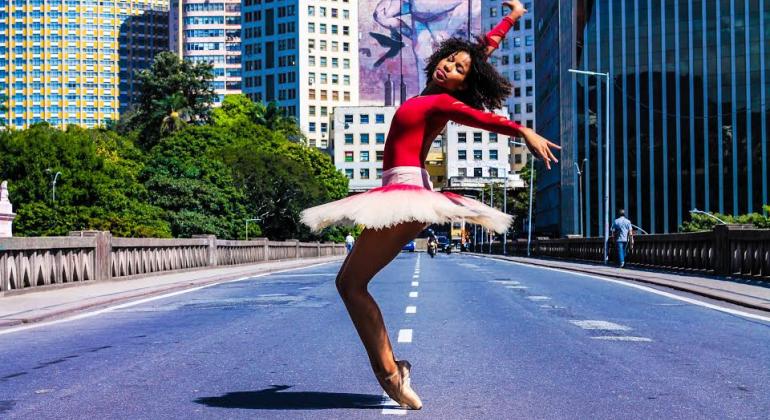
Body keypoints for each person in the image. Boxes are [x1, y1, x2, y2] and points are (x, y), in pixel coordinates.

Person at [300, 1, 559, 410]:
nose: (449, 68)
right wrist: (512, 16)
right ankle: (392, 370)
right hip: (397, 191)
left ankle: (391, 375)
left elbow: (484, 118)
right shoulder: (432, 94)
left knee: (351, 284)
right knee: (348, 283)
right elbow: (480, 51)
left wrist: (521, 129)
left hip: (405, 194)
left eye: (458, 71)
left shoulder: (442, 103)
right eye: (449, 61)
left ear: (462, 86)